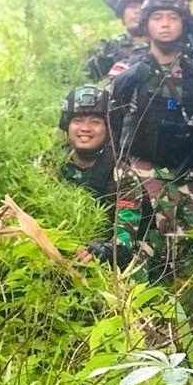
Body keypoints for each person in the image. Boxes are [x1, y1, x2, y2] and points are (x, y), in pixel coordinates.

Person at [111, 0, 193, 279]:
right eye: (158, 17)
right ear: (146, 24)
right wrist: (121, 83)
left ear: (183, 24)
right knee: (137, 244)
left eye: (173, 17)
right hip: (140, 168)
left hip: (188, 171)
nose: (165, 24)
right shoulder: (128, 68)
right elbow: (102, 108)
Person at [59, 85, 148, 266]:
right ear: (67, 126)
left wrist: (104, 250)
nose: (85, 128)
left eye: (95, 122)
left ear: (108, 129)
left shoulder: (122, 176)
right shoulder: (48, 165)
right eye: (78, 120)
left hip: (103, 259)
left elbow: (126, 235)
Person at [87, 0, 151, 81]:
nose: (138, 11)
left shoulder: (166, 50)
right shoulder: (107, 50)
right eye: (132, 6)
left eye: (143, 6)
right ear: (122, 13)